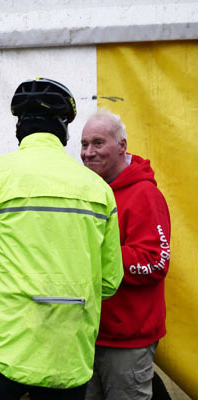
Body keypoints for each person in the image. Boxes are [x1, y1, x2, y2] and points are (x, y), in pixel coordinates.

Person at [0, 78, 124, 400]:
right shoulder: (98, 189)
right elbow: (110, 281)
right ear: (64, 131)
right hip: (68, 353)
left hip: (4, 347)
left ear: (19, 129)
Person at [80, 109, 171, 400]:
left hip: (127, 342)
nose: (88, 152)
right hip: (87, 336)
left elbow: (155, 262)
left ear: (122, 146)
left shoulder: (145, 194)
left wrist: (91, 253)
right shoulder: (87, 191)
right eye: (84, 144)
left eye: (98, 143)